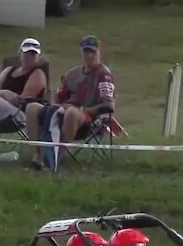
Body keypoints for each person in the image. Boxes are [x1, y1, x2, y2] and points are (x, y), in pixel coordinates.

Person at [25, 34, 117, 171]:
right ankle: (37, 155)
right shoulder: (72, 74)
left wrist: (82, 109)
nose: (89, 55)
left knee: (72, 112)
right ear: (82, 52)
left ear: (99, 52)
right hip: (64, 110)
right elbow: (59, 95)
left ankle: (57, 156)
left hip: (88, 118)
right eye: (86, 51)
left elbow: (109, 105)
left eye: (92, 51)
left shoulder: (104, 75)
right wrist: (57, 105)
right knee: (32, 108)